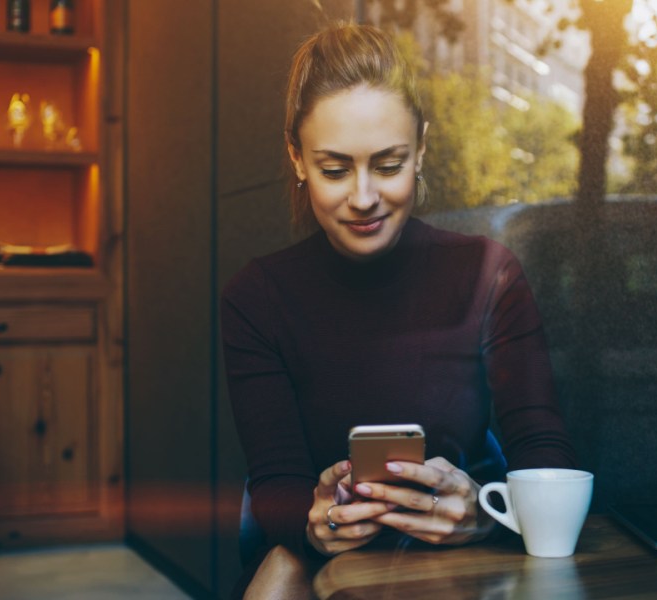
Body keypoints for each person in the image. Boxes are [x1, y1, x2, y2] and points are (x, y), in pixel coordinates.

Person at [221, 22, 577, 599]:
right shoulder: (257, 297)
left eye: (388, 164)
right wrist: (313, 521)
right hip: (320, 566)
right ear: (297, 159)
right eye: (335, 169)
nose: (363, 197)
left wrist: (486, 516)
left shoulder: (489, 274)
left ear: (421, 150)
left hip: (460, 559)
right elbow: (275, 483)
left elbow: (543, 450)